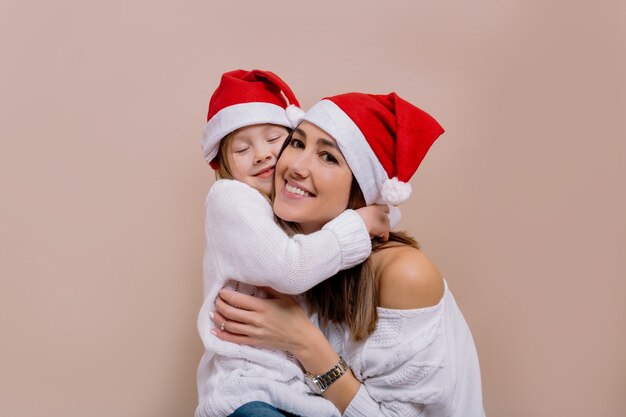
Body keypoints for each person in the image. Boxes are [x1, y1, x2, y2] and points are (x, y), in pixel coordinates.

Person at [212, 92, 486, 416]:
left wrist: (303, 340)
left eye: (329, 157)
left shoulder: (403, 273)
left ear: (362, 187)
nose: (295, 166)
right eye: (297, 143)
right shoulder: (288, 251)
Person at [196, 70, 391, 417]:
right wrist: (360, 224)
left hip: (297, 395)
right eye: (242, 148)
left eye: (275, 140)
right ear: (224, 164)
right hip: (249, 393)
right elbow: (291, 269)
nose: (261, 155)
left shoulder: (286, 212)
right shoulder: (230, 197)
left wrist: (376, 214)